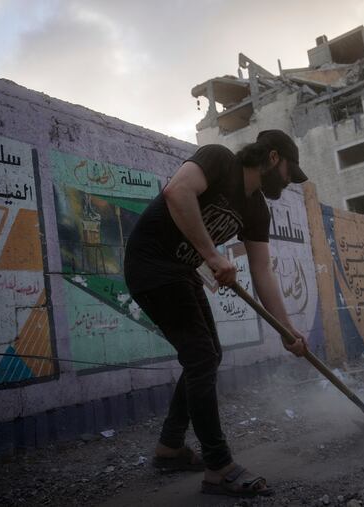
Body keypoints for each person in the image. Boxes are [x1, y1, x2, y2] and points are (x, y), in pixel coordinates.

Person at [123, 129, 308, 498]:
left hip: (182, 272)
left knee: (206, 356)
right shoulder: (220, 160)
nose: (288, 182)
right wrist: (211, 255)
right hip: (151, 264)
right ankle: (219, 467)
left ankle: (170, 448)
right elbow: (177, 191)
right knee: (202, 356)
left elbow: (262, 271)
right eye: (289, 172)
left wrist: (287, 330)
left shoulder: (257, 209)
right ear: (273, 159)